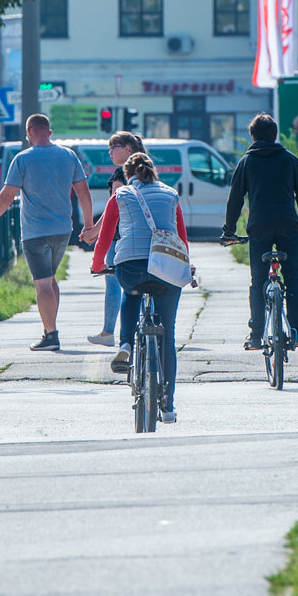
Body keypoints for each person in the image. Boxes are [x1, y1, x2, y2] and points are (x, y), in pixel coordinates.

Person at [0, 113, 93, 351]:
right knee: (50, 279)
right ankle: (50, 328)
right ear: (49, 132)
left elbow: (7, 196)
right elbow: (83, 192)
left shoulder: (22, 159)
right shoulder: (69, 156)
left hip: (35, 232)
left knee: (42, 284)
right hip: (63, 230)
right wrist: (89, 225)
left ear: (28, 133)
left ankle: (51, 336)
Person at [90, 152, 190, 423]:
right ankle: (167, 405)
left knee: (131, 291)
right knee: (167, 335)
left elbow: (105, 237)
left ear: (127, 173)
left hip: (130, 267)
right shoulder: (171, 194)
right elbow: (181, 238)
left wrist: (98, 265)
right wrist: (186, 265)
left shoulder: (120, 196)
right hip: (166, 268)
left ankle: (125, 344)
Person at [221, 113, 298, 349]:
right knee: (292, 278)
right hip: (288, 225)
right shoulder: (290, 160)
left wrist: (229, 231)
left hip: (259, 227)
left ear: (252, 136)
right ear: (275, 135)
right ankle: (297, 333)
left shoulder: (246, 162)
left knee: (259, 280)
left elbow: (235, 200)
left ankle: (255, 336)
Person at [88, 171, 128, 346]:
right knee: (143, 283)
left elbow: (113, 210)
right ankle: (147, 327)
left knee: (113, 282)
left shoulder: (121, 174)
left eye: (114, 146)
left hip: (118, 236)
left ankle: (108, 332)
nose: (110, 151)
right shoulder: (148, 171)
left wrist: (95, 232)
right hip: (145, 238)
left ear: (128, 148)